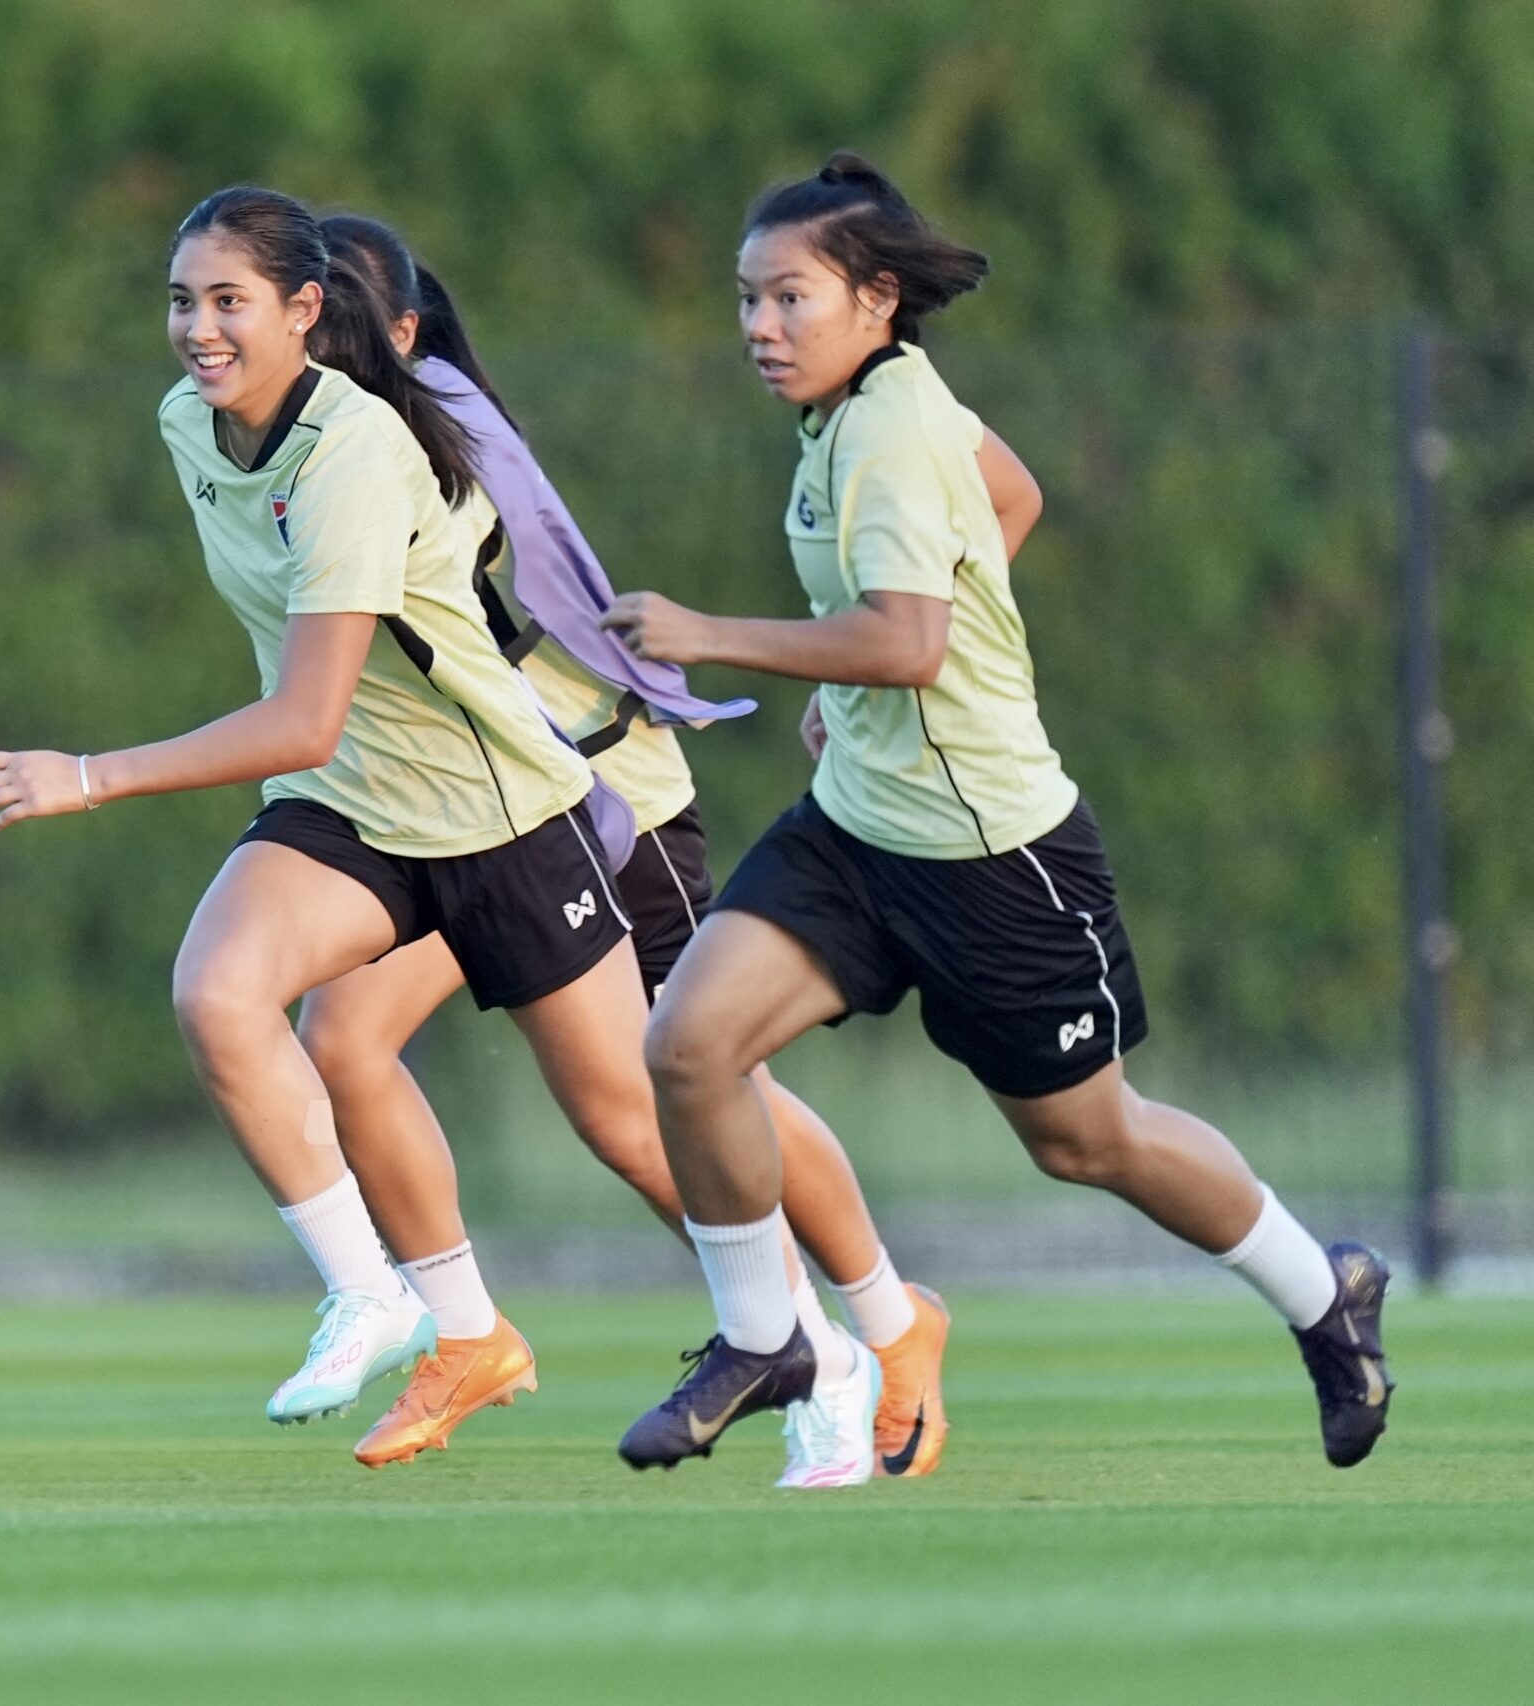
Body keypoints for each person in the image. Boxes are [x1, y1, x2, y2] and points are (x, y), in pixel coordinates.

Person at [597, 154, 1392, 1473]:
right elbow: (1012, 497)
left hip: (994, 856)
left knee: (1091, 1140)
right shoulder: (870, 407)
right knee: (688, 1042)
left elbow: (909, 643)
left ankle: (1326, 1293)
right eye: (746, 299)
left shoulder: (893, 426)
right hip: (857, 830)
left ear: (875, 298)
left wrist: (712, 634)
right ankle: (764, 1335)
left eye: (789, 298)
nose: (759, 327)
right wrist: (853, 684)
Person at [288, 211, 1062, 1481]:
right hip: (467, 806)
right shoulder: (317, 439)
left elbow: (1007, 496)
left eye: (323, 318)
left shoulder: (421, 426)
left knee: (659, 1099)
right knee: (347, 1034)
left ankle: (853, 1333)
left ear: (399, 332)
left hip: (597, 797)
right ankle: (478, 1331)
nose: (300, 342)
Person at [0, 184, 701, 1444]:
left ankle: (825, 1326)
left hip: (494, 810)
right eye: (181, 300)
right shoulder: (187, 422)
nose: (198, 328)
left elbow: (303, 713)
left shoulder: (359, 446)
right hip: (353, 803)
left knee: (633, 1117)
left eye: (228, 301)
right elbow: (317, 723)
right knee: (223, 995)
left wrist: (88, 774)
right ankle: (392, 1301)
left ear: (306, 311)